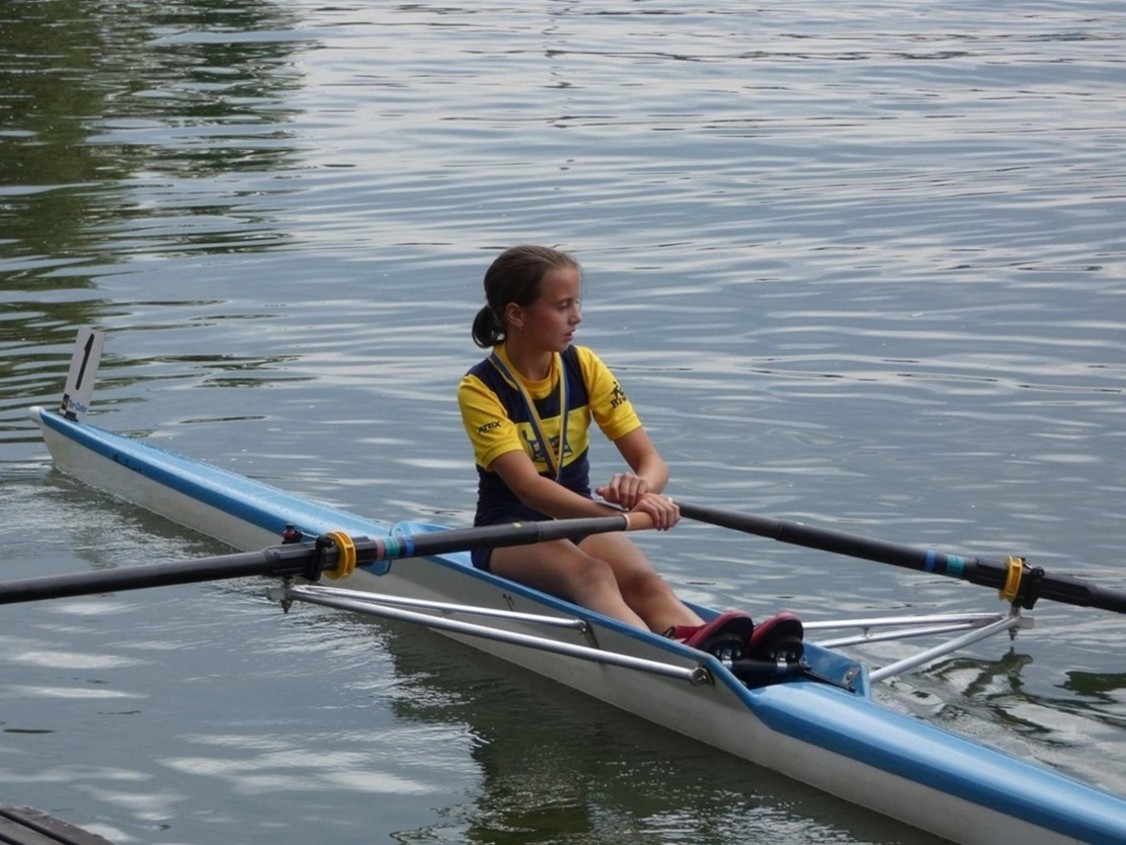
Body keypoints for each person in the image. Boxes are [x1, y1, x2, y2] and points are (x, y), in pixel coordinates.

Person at [457, 245, 753, 651]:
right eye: (562, 306)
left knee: (647, 583)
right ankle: (666, 660)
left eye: (576, 303)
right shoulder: (480, 389)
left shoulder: (584, 366)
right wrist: (620, 518)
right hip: (508, 529)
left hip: (579, 521)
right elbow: (529, 489)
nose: (576, 317)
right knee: (593, 574)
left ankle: (721, 651)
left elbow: (652, 462)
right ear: (516, 314)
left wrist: (642, 491)